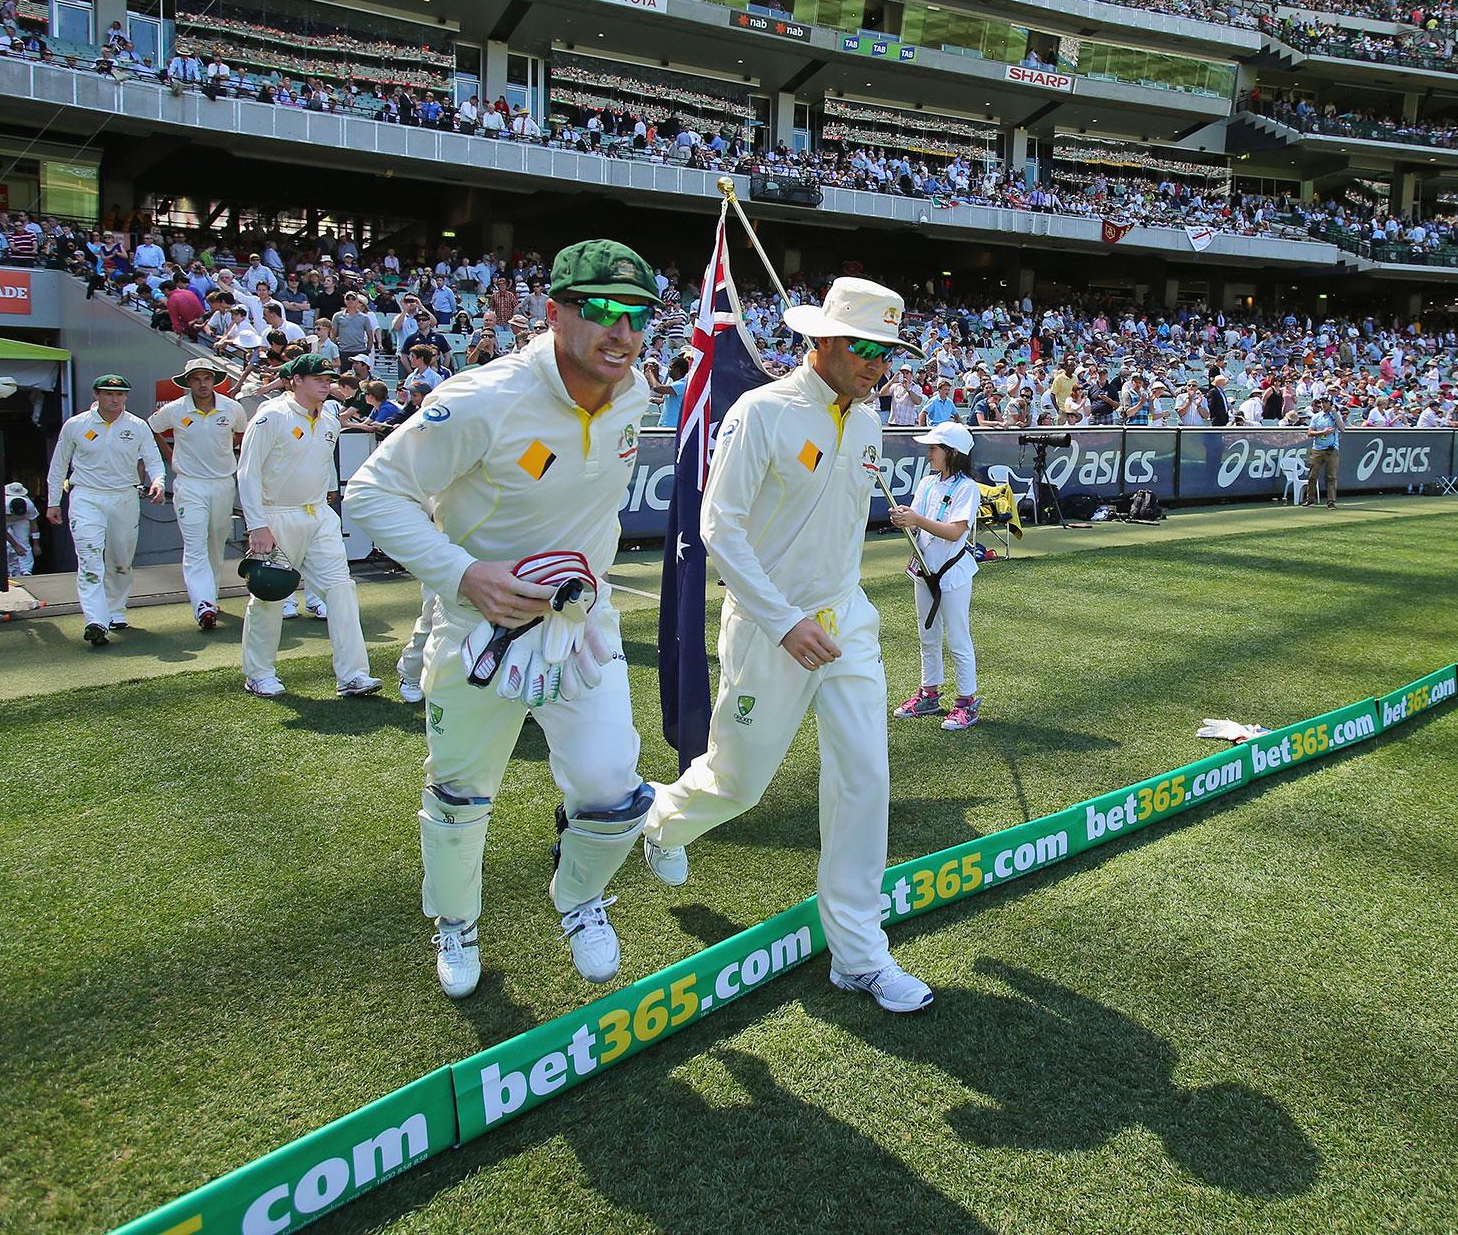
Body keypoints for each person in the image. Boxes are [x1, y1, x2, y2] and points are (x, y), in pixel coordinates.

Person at [345, 238, 658, 998]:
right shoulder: (484, 398)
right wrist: (464, 575)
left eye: (639, 315)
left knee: (612, 785)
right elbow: (370, 494)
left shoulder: (636, 389)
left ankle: (578, 895)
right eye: (602, 311)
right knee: (459, 793)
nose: (622, 332)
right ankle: (455, 923)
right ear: (552, 312)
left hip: (582, 624)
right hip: (478, 628)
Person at [642, 277, 935, 1014]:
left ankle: (859, 955)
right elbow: (720, 527)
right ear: (824, 342)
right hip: (770, 628)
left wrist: (831, 609)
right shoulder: (761, 412)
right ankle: (658, 822)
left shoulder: (867, 422)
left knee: (864, 781)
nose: (879, 366)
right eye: (867, 349)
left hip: (848, 624)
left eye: (888, 353)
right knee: (738, 783)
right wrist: (782, 620)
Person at [235, 355, 380, 699]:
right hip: (276, 516)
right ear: (295, 380)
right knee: (269, 594)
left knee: (341, 590)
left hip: (319, 515)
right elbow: (247, 472)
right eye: (317, 378)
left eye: (327, 378)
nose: (325, 384)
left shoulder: (329, 417)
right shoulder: (271, 416)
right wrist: (257, 525)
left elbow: (323, 463)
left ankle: (353, 674)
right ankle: (258, 673)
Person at [46, 376, 167, 645]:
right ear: (97, 394)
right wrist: (53, 502)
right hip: (86, 497)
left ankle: (115, 610)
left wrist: (158, 482)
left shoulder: (137, 426)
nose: (115, 399)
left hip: (124, 497)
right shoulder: (76, 425)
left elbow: (154, 461)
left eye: (120, 394)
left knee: (121, 560)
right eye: (109, 393)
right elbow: (58, 466)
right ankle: (96, 620)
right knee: (89, 560)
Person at [890, 421, 984, 731]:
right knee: (927, 635)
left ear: (952, 453)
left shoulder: (967, 488)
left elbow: (956, 531)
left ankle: (967, 702)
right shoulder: (928, 483)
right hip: (924, 570)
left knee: (958, 637)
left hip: (952, 573)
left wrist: (916, 519)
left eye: (934, 448)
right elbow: (917, 524)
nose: (929, 453)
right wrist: (905, 520)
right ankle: (929, 694)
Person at [148, 358, 249, 631]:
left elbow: (240, 434)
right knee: (194, 546)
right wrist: (169, 455)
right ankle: (203, 605)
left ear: (214, 380)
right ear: (188, 382)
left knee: (216, 543)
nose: (203, 384)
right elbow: (152, 428)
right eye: (196, 378)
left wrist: (224, 452)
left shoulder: (232, 408)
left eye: (207, 378)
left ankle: (210, 598)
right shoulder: (175, 409)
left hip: (222, 483)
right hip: (189, 484)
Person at [1304, 395, 1341, 508]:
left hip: (1331, 449)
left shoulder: (1335, 417)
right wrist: (1322, 432)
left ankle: (1331, 501)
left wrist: (1335, 414)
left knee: (1331, 476)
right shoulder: (1316, 417)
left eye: (1326, 402)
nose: (1323, 404)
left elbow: (1342, 428)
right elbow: (1310, 433)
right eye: (1322, 402)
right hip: (1318, 449)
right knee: (1312, 476)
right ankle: (1310, 499)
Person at [2, 480, 40, 577]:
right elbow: (1, 530)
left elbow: (33, 523)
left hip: (22, 521)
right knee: (6, 545)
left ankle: (26, 570)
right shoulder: (2, 505)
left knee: (24, 543)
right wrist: (15, 545)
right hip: (5, 521)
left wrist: (36, 544)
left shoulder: (29, 504)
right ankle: (7, 571)